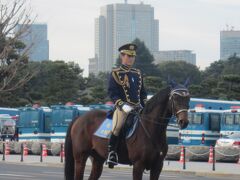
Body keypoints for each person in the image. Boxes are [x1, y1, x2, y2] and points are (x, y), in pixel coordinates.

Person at [107, 43, 147, 168]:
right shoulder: (116, 73)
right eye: (128, 56)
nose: (130, 59)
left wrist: (145, 105)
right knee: (117, 127)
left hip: (137, 108)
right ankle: (112, 153)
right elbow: (112, 93)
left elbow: (143, 93)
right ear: (122, 56)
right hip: (123, 108)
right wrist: (122, 105)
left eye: (132, 56)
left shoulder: (138, 73)